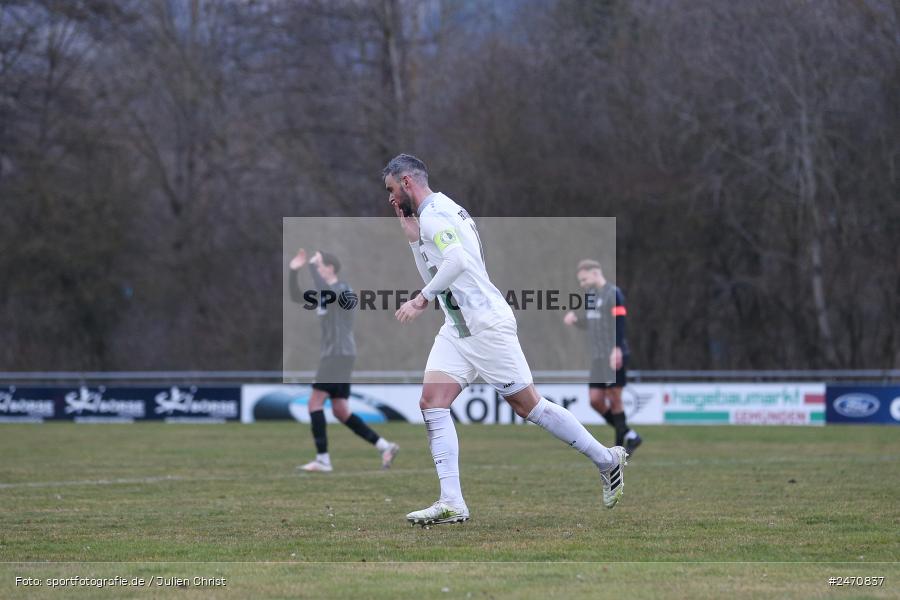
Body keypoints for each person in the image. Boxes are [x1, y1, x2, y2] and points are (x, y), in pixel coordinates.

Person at [383, 153, 629, 526]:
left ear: (406, 183)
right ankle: (452, 501)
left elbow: (457, 263)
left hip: (485, 325)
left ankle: (607, 460)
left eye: (390, 190)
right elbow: (441, 261)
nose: (389, 200)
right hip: (458, 327)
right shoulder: (443, 210)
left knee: (530, 407)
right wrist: (415, 243)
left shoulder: (435, 214)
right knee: (432, 402)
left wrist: (422, 298)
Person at [288, 248, 399, 472]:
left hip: (338, 355)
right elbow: (295, 296)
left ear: (330, 268)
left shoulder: (343, 290)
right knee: (340, 410)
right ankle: (385, 446)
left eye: (319, 266)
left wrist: (311, 267)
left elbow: (326, 291)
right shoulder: (325, 292)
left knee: (314, 403)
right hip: (337, 355)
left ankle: (323, 460)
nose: (317, 271)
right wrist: (293, 272)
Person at [564, 260, 643, 456]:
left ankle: (619, 448)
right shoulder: (591, 295)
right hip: (598, 358)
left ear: (595, 273)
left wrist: (616, 349)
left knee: (615, 399)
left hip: (613, 355)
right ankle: (630, 435)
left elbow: (620, 323)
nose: (582, 284)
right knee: (595, 400)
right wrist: (576, 321)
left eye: (584, 279)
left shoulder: (613, 294)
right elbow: (591, 323)